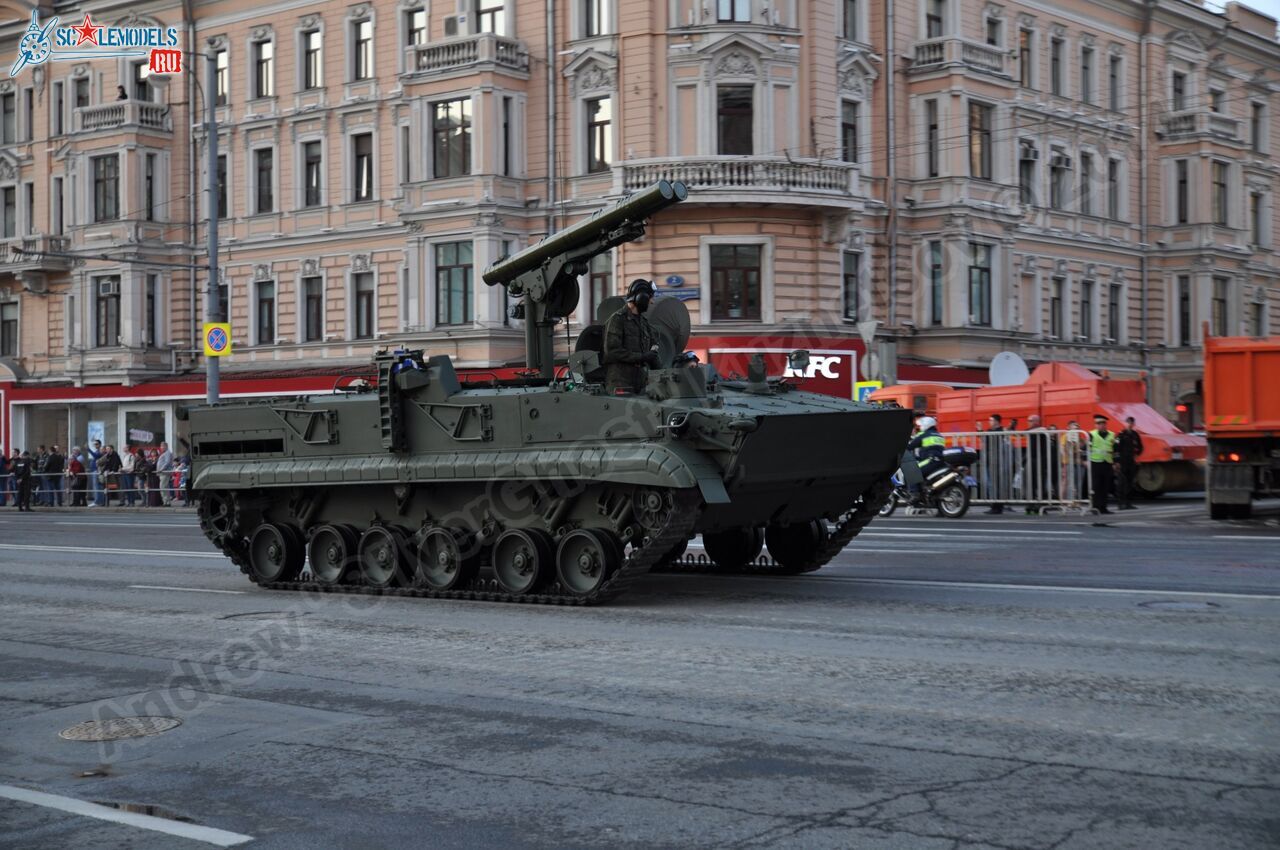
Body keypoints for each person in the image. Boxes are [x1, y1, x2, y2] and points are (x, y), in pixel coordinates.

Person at [602, 278, 660, 394]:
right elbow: (613, 351)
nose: (652, 302)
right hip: (620, 382)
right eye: (650, 298)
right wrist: (642, 357)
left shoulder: (644, 323)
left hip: (640, 382)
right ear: (641, 298)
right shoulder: (617, 319)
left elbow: (653, 350)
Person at [906, 416, 946, 504]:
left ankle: (915, 494)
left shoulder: (924, 435)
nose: (920, 428)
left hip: (930, 460)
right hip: (941, 461)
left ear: (926, 425)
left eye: (920, 426)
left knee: (912, 471)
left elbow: (910, 446)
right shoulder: (939, 435)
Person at [1088, 415, 1118, 515]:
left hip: (1107, 463)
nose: (1100, 426)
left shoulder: (1112, 435)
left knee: (1106, 487)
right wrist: (1084, 460)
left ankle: (1104, 507)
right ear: (1095, 425)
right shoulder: (1091, 434)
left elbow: (1115, 450)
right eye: (1098, 424)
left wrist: (1116, 462)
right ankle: (1095, 507)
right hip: (1095, 463)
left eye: (1102, 424)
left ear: (1105, 424)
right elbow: (1086, 449)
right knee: (1096, 486)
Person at [1116, 416, 1144, 510]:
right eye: (1128, 423)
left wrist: (1137, 455)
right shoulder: (1121, 434)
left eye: (1131, 423)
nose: (1130, 425)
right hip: (1122, 461)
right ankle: (1120, 503)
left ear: (1133, 424)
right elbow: (1116, 448)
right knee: (1121, 483)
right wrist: (1117, 462)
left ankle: (1128, 503)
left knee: (1130, 483)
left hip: (1131, 461)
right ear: (1125, 423)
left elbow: (1140, 447)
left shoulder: (1135, 435)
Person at [983, 413, 1007, 514]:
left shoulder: (1002, 430)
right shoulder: (989, 431)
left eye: (991, 420)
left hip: (998, 460)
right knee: (991, 484)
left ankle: (998, 506)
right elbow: (985, 442)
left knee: (996, 484)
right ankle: (994, 505)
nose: (989, 422)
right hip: (990, 459)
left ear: (996, 421)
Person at [155, 441, 174, 506]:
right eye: (160, 446)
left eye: (162, 446)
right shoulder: (164, 453)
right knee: (164, 487)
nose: (161, 447)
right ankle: (166, 502)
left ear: (165, 446)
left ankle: (166, 502)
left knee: (162, 487)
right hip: (162, 473)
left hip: (164, 472)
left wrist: (161, 469)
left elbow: (167, 462)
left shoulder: (167, 453)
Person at [87, 439, 104, 506]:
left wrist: (88, 449)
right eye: (95, 444)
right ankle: (99, 501)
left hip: (97, 471)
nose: (95, 445)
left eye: (96, 444)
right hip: (94, 470)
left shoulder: (100, 451)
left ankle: (97, 501)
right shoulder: (97, 451)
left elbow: (95, 456)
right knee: (97, 487)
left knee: (97, 487)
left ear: (100, 444)